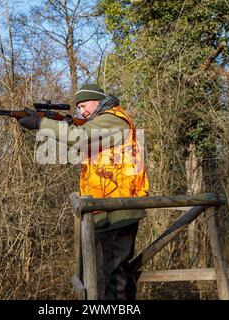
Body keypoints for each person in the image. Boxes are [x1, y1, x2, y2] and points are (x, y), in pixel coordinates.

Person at [17, 83, 149, 300]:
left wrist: (41, 123)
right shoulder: (101, 121)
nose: (82, 111)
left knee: (112, 279)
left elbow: (79, 138)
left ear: (98, 102)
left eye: (85, 106)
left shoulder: (113, 118)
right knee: (107, 276)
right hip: (106, 210)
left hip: (117, 210)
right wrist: (67, 123)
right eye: (78, 108)